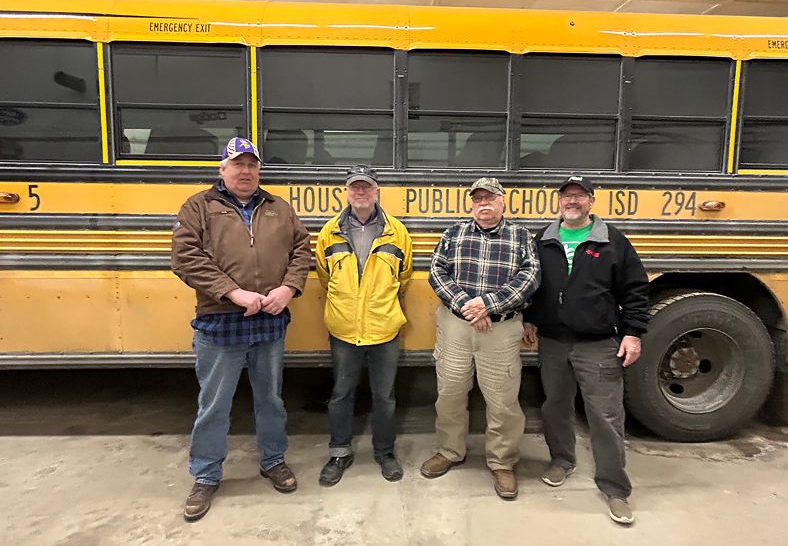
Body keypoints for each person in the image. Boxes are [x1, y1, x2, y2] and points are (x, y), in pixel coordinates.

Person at [171, 137, 312, 522]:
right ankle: (205, 475)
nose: (246, 171)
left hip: (269, 320)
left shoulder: (278, 208)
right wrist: (232, 292)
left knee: (271, 399)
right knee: (214, 405)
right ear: (222, 169)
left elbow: (302, 249)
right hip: (219, 321)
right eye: (238, 164)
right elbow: (185, 258)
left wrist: (288, 287)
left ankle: (273, 461)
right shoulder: (199, 207)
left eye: (252, 165)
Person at [522, 174, 649, 525]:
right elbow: (534, 285)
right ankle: (562, 460)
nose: (572, 201)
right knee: (555, 407)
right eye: (566, 196)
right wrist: (531, 318)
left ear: (591, 201)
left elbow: (636, 289)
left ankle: (615, 488)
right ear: (559, 202)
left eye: (579, 196)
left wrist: (633, 332)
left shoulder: (612, 242)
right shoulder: (543, 240)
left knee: (605, 415)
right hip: (552, 342)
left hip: (598, 345)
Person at [421, 177, 540, 500]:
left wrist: (489, 304)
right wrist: (467, 305)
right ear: (471, 203)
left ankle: (502, 461)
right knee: (450, 390)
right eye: (477, 199)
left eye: (490, 198)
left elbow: (529, 279)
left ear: (503, 202)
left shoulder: (520, 237)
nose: (483, 204)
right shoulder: (454, 233)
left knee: (502, 397)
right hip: (455, 325)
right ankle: (450, 450)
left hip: (500, 330)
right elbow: (436, 272)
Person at [315, 164, 413, 486]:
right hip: (344, 330)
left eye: (366, 187)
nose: (360, 192)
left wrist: (379, 306)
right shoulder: (329, 231)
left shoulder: (397, 231)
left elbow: (404, 278)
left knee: (384, 396)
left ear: (376, 191)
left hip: (384, 329)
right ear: (346, 192)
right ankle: (339, 452)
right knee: (341, 393)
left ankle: (385, 452)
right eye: (355, 187)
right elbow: (324, 276)